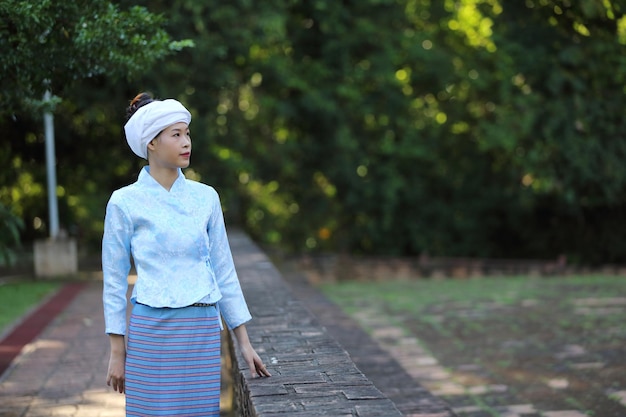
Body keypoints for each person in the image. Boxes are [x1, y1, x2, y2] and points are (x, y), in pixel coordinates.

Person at [102, 92, 271, 416]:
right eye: (176, 134)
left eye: (187, 133)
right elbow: (113, 280)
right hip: (150, 330)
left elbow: (223, 269)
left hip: (200, 328)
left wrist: (243, 341)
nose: (186, 142)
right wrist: (116, 350)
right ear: (151, 143)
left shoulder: (206, 198)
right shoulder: (123, 202)